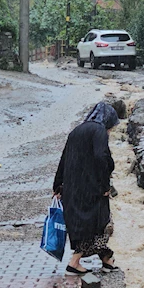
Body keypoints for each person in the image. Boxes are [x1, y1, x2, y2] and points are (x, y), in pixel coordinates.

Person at [53, 102, 119, 275]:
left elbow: (64, 158)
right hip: (91, 188)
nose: (110, 131)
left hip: (74, 188)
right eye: (111, 128)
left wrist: (58, 185)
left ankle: (106, 258)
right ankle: (74, 262)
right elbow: (101, 157)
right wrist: (105, 185)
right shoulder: (99, 131)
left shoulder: (77, 131)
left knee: (93, 225)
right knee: (100, 223)